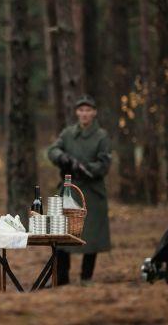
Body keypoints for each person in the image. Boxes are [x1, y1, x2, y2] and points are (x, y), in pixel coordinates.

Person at [47, 95, 112, 285]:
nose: (84, 114)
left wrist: (84, 167)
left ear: (94, 113)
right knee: (61, 234)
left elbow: (104, 164)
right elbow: (52, 150)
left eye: (88, 110)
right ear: (77, 112)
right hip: (69, 189)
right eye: (81, 110)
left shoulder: (102, 136)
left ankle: (86, 277)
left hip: (92, 191)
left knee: (91, 237)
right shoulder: (68, 133)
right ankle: (61, 278)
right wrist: (63, 158)